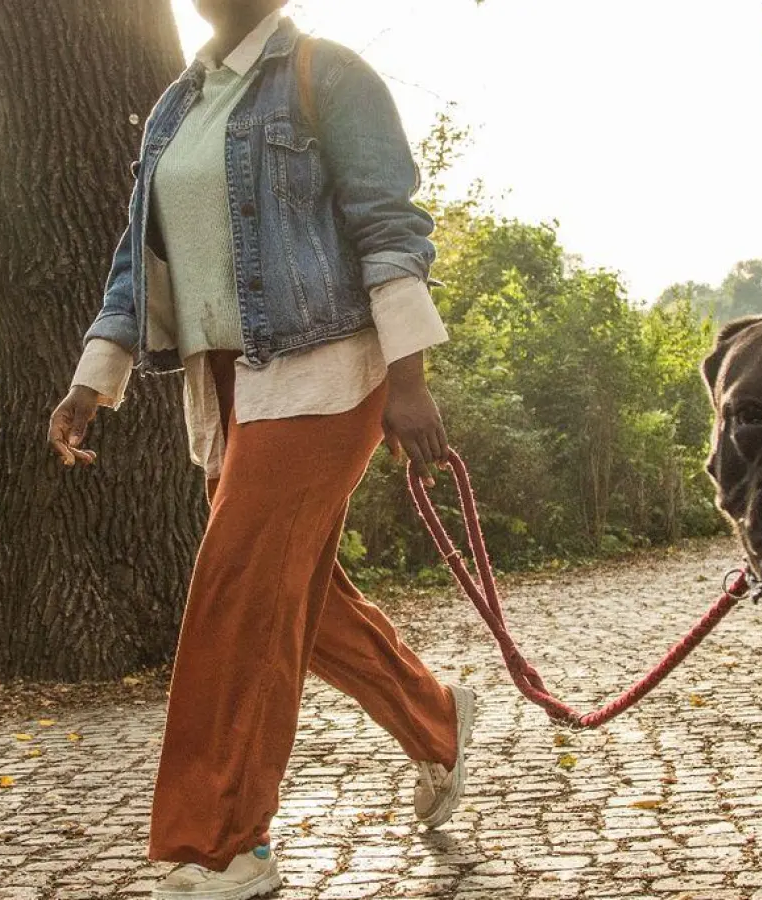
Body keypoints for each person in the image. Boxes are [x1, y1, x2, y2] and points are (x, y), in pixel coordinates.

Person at [46, 1, 476, 898]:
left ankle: (223, 842)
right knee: (298, 597)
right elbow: (141, 260)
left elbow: (390, 228)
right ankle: (436, 721)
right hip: (229, 381)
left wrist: (409, 379)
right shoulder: (178, 105)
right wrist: (97, 374)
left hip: (327, 367)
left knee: (238, 591)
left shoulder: (329, 75)